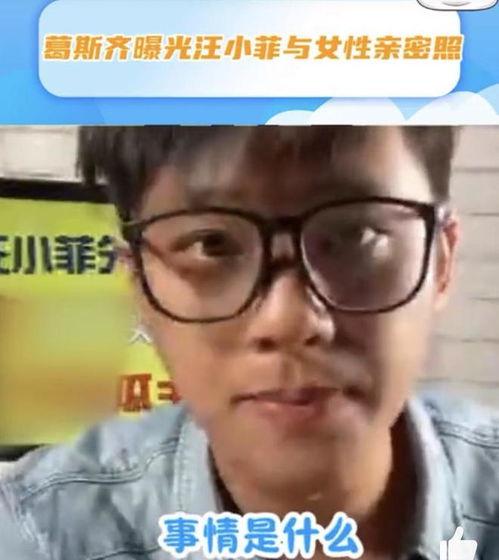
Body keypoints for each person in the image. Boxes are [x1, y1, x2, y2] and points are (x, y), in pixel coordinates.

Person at [1, 126, 498, 560]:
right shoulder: (42, 533)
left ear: (441, 260)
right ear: (139, 286)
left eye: (355, 235)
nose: (289, 320)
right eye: (212, 244)